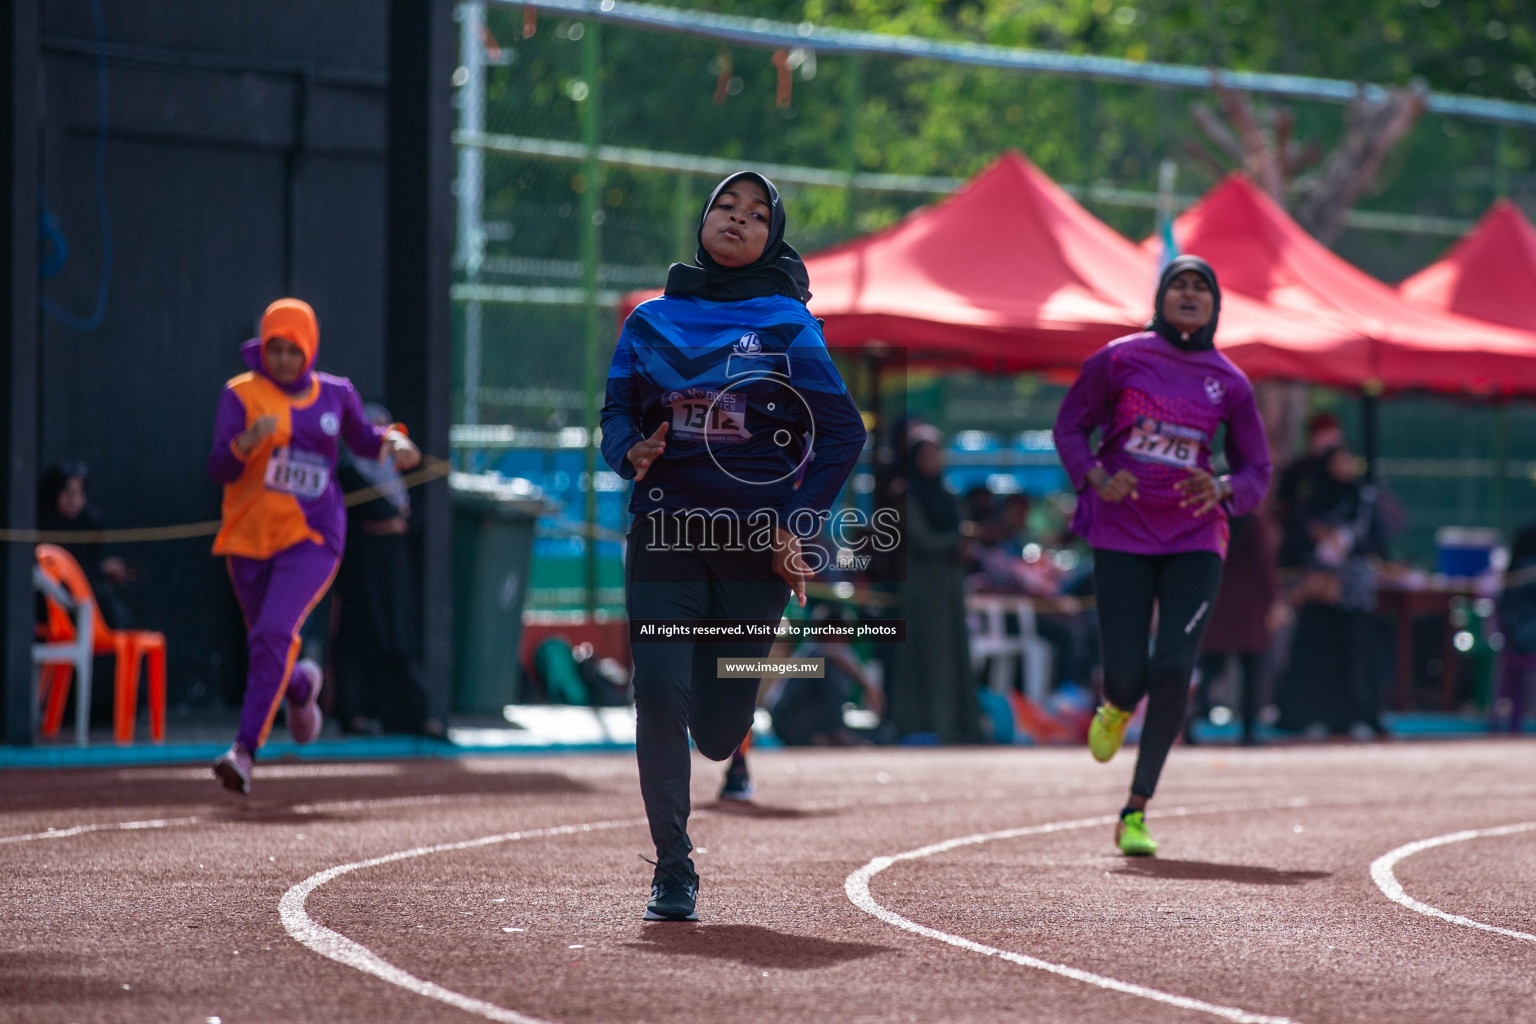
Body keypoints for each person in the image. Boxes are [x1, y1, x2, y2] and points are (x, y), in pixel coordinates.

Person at [600, 171, 864, 921]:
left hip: (755, 547)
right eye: (725, 206)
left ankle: (727, 724)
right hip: (664, 530)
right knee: (656, 687)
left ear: (771, 238)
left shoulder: (786, 322)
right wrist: (631, 451)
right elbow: (615, 410)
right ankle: (673, 868)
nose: (737, 220)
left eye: (756, 215)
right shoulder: (649, 321)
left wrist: (798, 524)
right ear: (703, 221)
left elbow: (843, 431)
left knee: (717, 734)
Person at [1052, 256, 1272, 856]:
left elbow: (1258, 468)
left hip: (1195, 539)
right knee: (1127, 674)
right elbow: (1071, 426)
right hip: (1120, 532)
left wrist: (1225, 488)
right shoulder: (1120, 358)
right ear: (1161, 296)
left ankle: (1135, 809)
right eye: (1180, 284)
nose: (1191, 293)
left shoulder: (1229, 381)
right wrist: (1095, 476)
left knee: (1174, 668)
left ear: (1216, 305)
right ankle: (1117, 704)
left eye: (1203, 285)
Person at [206, 298, 420, 794]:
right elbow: (220, 467)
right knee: (268, 640)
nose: (282, 359)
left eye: (291, 350)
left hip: (314, 537)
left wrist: (395, 440)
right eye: (274, 349)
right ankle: (302, 686)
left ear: (309, 350)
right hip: (249, 538)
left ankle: (244, 752)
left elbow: (365, 440)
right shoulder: (241, 395)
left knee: (274, 632)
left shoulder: (335, 394)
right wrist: (245, 443)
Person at [332, 401, 443, 738]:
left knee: (398, 639)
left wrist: (397, 523)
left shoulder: (398, 476)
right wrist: (388, 520)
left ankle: (412, 716)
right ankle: (356, 715)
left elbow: (412, 520)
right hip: (360, 571)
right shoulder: (348, 471)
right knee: (358, 637)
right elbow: (370, 512)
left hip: (394, 573)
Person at [1274, 443, 1388, 737]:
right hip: (1319, 591)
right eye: (1338, 463)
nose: (1344, 469)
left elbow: (1379, 541)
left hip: (1354, 592)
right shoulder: (1310, 499)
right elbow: (1293, 543)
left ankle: (1359, 716)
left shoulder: (1363, 500)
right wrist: (1318, 543)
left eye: (1348, 462)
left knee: (1356, 654)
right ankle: (1310, 715)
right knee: (1317, 656)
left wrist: (1348, 544)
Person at [886, 427, 986, 745]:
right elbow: (920, 538)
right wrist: (955, 543)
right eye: (927, 454)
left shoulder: (945, 495)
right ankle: (924, 723)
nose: (935, 461)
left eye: (937, 453)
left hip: (949, 588)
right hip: (922, 587)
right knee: (926, 654)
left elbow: (958, 529)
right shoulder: (906, 493)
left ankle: (955, 723)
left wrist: (962, 545)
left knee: (951, 655)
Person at [1186, 510, 1286, 746]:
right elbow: (1264, 562)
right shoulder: (1254, 519)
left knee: (1210, 668)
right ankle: (1249, 730)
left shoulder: (1209, 516)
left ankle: (1189, 724)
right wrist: (1274, 599)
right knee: (1251, 669)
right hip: (1249, 605)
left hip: (1218, 599)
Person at [37, 463, 136, 628]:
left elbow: (85, 570)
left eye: (80, 493)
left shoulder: (90, 523)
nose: (74, 501)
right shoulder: (40, 521)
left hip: (82, 604)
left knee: (117, 617)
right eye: (68, 493)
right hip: (47, 605)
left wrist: (102, 571)